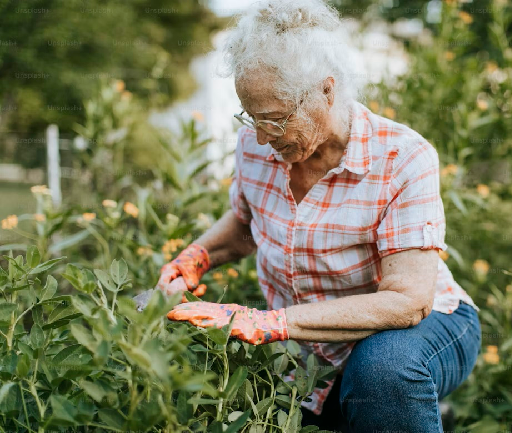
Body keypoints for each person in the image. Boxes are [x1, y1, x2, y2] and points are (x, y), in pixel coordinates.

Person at [157, 0, 481, 431]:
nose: (261, 137)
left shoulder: (403, 157)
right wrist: (194, 258)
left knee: (381, 374)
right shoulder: (254, 145)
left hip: (422, 327)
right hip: (312, 344)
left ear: (326, 91)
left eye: (274, 120)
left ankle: (402, 394)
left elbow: (407, 302)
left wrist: (269, 323)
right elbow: (244, 224)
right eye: (251, 117)